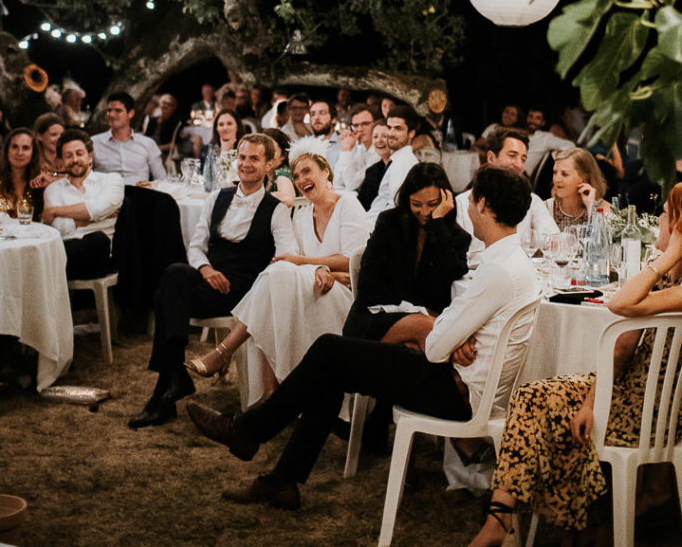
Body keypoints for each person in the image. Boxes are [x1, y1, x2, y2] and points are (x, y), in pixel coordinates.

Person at [186, 166, 539, 510]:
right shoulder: (513, 262)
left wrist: (447, 332)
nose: (466, 205)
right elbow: (442, 321)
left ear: (484, 205)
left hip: (452, 389)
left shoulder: (496, 271)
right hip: (453, 376)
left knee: (329, 352)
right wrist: (450, 330)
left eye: (472, 199)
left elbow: (434, 346)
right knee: (331, 366)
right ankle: (279, 478)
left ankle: (248, 432)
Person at [465, 183, 682, 546]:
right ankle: (512, 521)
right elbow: (623, 347)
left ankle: (542, 524)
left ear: (678, 226)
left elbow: (619, 304)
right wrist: (591, 400)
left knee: (539, 405)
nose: (658, 219)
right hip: (622, 393)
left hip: (649, 413)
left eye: (665, 215)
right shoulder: (666, 280)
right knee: (532, 396)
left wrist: (669, 253)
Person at [128, 134, 298, 430]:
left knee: (163, 296)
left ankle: (164, 393)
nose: (246, 164)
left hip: (243, 291)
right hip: (210, 278)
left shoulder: (276, 210)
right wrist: (206, 269)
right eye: (242, 157)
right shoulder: (217, 198)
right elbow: (196, 246)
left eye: (254, 158)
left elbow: (287, 256)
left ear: (269, 164)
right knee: (175, 274)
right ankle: (175, 376)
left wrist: (264, 280)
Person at [185, 138, 369, 405]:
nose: (301, 179)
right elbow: (301, 263)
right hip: (318, 286)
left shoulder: (348, 203)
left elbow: (354, 260)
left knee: (279, 273)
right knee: (276, 282)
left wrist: (312, 265)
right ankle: (270, 392)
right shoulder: (302, 215)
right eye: (296, 175)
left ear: (325, 171)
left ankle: (227, 353)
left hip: (347, 293)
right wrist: (317, 268)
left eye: (307, 171)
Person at [344, 162, 470, 343]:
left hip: (428, 318)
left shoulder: (456, 236)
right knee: (429, 330)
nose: (424, 212)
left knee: (423, 340)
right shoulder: (389, 223)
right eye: (416, 204)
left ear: (445, 201)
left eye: (432, 204)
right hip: (376, 314)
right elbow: (368, 283)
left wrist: (437, 224)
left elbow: (453, 271)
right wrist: (415, 311)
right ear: (407, 200)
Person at [455, 128, 559, 265]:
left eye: (523, 159)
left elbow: (555, 242)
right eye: (512, 156)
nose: (519, 165)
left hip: (517, 272)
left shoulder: (532, 201)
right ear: (491, 157)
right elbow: (456, 256)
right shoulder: (462, 202)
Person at [42, 129, 124, 278]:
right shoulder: (53, 190)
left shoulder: (112, 180)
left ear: (90, 157)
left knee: (98, 240)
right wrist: (100, 217)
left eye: (79, 153)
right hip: (65, 255)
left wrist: (55, 211)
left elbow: (95, 209)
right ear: (62, 161)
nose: (74, 159)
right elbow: (61, 229)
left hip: (99, 256)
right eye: (68, 156)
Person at [92, 92, 166, 184]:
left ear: (131, 113)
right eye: (109, 110)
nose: (111, 115)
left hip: (139, 192)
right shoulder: (94, 143)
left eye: (118, 111)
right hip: (107, 191)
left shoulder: (148, 144)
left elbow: (161, 179)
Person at [367, 105, 419, 222]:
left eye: (398, 129)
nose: (391, 133)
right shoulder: (398, 160)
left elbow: (394, 207)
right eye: (389, 128)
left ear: (411, 133)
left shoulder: (404, 162)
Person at [545, 147, 608, 230]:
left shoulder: (603, 208)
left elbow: (601, 237)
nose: (557, 179)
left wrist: (591, 208)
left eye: (565, 174)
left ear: (584, 178)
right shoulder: (545, 208)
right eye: (555, 172)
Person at [0, 128, 43, 219]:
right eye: (15, 147)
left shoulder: (40, 183)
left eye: (25, 148)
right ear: (7, 150)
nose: (20, 153)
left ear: (33, 153)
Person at [333, 103, 377, 191]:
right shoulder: (360, 148)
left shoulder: (379, 152)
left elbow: (351, 185)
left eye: (365, 124)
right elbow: (337, 180)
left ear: (375, 125)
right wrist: (346, 147)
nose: (360, 129)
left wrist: (346, 150)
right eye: (356, 125)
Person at [524, 106, 573, 178]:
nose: (533, 121)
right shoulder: (518, 133)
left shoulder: (546, 137)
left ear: (543, 123)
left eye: (538, 118)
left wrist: (557, 156)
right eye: (531, 116)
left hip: (524, 177)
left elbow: (570, 145)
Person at [356, 120, 390, 210]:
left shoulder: (399, 166)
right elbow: (361, 204)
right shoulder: (372, 171)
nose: (379, 140)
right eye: (375, 137)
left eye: (385, 136)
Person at [262, 128, 296, 208]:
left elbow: (287, 198)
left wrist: (257, 196)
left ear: (283, 155)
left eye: (271, 151)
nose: (265, 154)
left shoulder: (282, 172)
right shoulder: (265, 176)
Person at [145, 93, 183, 163]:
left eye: (169, 104)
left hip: (162, 152)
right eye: (164, 103)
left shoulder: (176, 123)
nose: (165, 106)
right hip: (148, 149)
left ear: (174, 107)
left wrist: (156, 148)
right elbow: (146, 136)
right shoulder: (152, 119)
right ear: (159, 104)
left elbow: (173, 144)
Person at [32, 112, 65, 186]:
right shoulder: (33, 164)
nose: (59, 138)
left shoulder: (69, 160)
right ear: (39, 136)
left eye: (62, 135)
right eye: (54, 134)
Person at [307, 99, 341, 169]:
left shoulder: (344, 144)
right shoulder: (303, 146)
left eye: (322, 113)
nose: (316, 117)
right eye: (313, 114)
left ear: (333, 119)